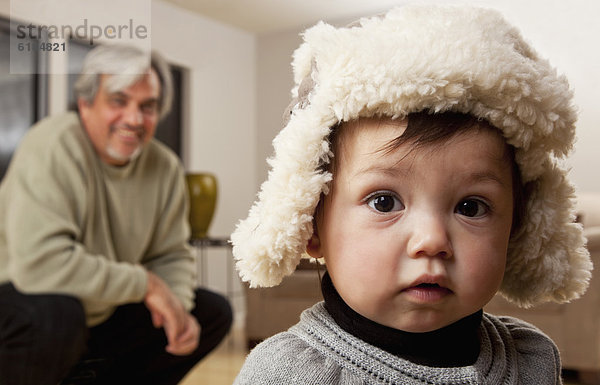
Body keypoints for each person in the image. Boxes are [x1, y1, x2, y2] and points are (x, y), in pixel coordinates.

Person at [231, 5, 592, 384]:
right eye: (384, 202)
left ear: (518, 226)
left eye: (471, 207)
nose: (432, 241)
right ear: (310, 224)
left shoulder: (533, 362)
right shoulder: (286, 375)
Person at [0, 44, 232, 385]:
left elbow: (171, 255)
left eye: (147, 106)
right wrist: (146, 285)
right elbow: (39, 267)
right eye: (119, 101)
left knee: (211, 312)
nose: (134, 119)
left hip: (100, 308)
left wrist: (175, 309)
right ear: (86, 103)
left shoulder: (164, 166)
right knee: (57, 315)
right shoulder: (52, 144)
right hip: (19, 299)